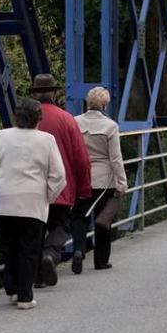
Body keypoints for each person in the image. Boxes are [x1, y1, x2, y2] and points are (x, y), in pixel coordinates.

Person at [0, 98, 66, 310]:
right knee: (30, 248)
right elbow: (59, 175)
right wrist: (48, 196)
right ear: (38, 119)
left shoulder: (2, 136)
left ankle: (12, 288)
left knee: (9, 246)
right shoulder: (46, 139)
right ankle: (25, 296)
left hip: (5, 199)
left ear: (16, 117)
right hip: (33, 200)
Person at [30, 73, 91, 287]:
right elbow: (81, 159)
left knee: (36, 229)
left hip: (31, 187)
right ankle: (50, 253)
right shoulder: (67, 119)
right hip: (61, 187)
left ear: (35, 93)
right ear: (55, 93)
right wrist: (84, 189)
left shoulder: (26, 120)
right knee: (60, 226)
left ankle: (37, 278)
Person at [70, 87, 127, 273]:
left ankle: (79, 249)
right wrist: (121, 182)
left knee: (79, 216)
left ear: (87, 102)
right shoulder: (110, 126)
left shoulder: (75, 123)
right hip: (104, 180)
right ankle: (101, 261)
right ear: (105, 104)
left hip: (81, 177)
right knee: (103, 220)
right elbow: (115, 158)